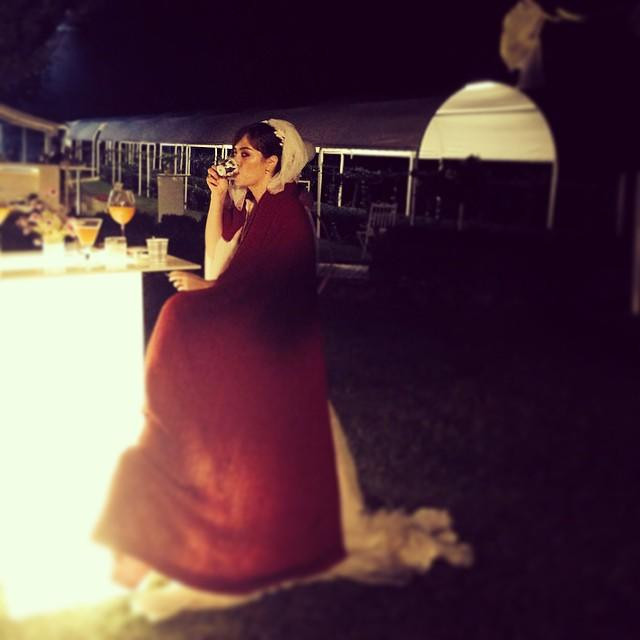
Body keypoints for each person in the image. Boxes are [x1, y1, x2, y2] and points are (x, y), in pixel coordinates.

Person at [93, 119, 471, 622]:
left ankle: (181, 442)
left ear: (272, 163)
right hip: (254, 330)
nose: (236, 162)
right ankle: (168, 443)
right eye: (235, 153)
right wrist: (217, 202)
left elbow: (270, 289)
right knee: (180, 317)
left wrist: (208, 292)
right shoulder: (259, 206)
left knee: (180, 315)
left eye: (245, 155)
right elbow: (220, 259)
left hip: (273, 341)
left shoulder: (287, 213)